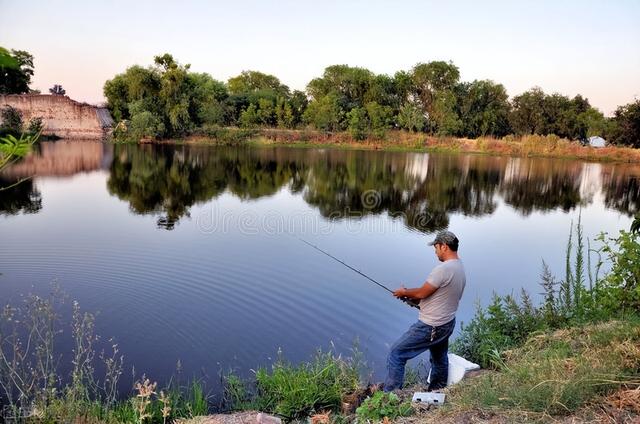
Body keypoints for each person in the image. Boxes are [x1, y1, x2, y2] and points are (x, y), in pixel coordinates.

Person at [384, 230, 466, 392]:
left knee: (396, 353)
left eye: (436, 248)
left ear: (444, 247)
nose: (435, 252)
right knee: (439, 358)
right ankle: (437, 390)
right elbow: (441, 295)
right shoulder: (459, 267)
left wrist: (404, 292)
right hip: (447, 322)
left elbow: (422, 292)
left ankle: (391, 397)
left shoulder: (443, 269)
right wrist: (416, 300)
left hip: (431, 326)